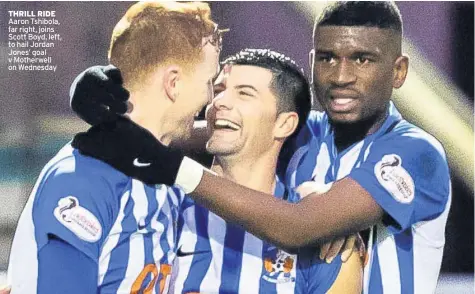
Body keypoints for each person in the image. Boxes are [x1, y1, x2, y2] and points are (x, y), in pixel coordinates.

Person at [70, 2, 450, 293]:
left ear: (398, 71)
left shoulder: (418, 155)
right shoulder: (303, 132)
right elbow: (163, 132)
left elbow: (301, 227)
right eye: (328, 59)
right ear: (311, 61)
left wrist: (172, 167)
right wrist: (102, 94)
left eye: (362, 60)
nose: (341, 76)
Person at [6, 2, 222, 293]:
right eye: (209, 82)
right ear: (173, 83)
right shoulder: (81, 179)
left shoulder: (165, 186)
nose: (210, 98)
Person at [169, 49, 362, 293]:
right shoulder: (162, 208)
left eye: (244, 94)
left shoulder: (323, 244)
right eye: (218, 91)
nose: (219, 102)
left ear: (284, 124)